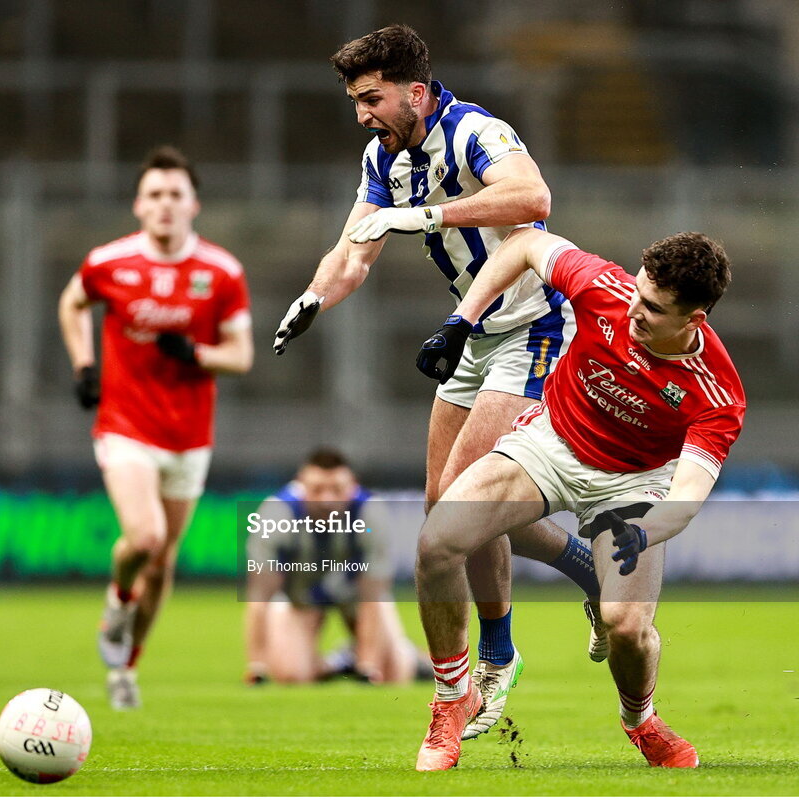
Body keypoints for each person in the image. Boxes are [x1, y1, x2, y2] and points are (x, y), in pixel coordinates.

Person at [272, 23, 600, 737]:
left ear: (416, 92)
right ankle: (588, 569)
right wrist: (312, 298)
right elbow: (353, 251)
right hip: (473, 333)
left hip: (534, 327)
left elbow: (532, 198)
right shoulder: (380, 156)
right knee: (439, 505)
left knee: (460, 506)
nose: (361, 113)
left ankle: (498, 656)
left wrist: (427, 214)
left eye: (372, 98)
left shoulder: (475, 130)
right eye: (356, 100)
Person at [412, 227, 743, 770]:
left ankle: (641, 720)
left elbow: (685, 495)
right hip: (550, 444)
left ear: (694, 321)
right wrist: (461, 320)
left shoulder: (717, 392)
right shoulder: (604, 288)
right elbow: (521, 243)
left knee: (626, 626)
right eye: (637, 293)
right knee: (438, 540)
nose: (634, 310)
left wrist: (643, 533)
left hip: (633, 485)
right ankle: (452, 699)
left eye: (654, 309)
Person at [58, 146, 254, 709]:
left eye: (175, 194)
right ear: (138, 205)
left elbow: (240, 355)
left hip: (189, 434)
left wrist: (196, 352)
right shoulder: (110, 262)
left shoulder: (221, 272)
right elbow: (72, 303)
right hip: (124, 424)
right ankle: (118, 602)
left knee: (165, 561)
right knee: (144, 539)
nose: (165, 204)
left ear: (194, 205)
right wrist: (83, 365)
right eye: (155, 195)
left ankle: (127, 668)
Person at [244, 448, 431, 685]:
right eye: (317, 490)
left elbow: (372, 594)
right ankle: (338, 662)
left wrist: (368, 668)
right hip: (300, 598)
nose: (326, 500)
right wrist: (257, 665)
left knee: (393, 674)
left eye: (336, 490)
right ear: (300, 486)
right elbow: (260, 594)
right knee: (292, 675)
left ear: (352, 487)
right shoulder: (277, 514)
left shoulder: (370, 513)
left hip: (355, 596)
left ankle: (412, 658)